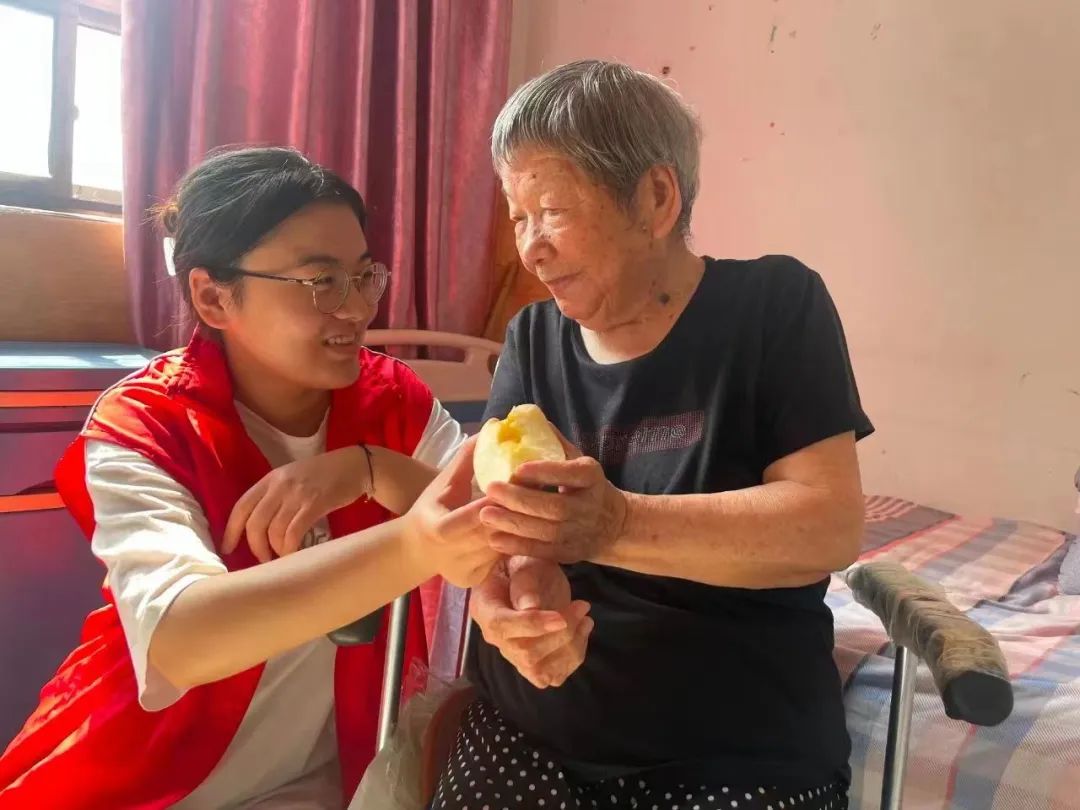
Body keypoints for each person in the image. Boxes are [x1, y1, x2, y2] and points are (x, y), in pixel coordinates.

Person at [0, 147, 501, 810]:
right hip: (140, 776)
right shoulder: (148, 422)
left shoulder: (392, 403)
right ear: (213, 296)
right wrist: (415, 545)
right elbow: (182, 639)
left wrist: (372, 469)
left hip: (318, 781)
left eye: (363, 276)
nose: (356, 309)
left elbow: (492, 521)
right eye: (320, 281)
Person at [439, 60, 874, 810]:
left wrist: (615, 523)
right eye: (518, 216)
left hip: (736, 748)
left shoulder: (774, 305)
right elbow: (508, 529)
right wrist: (521, 604)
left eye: (551, 210)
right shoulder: (532, 338)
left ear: (656, 198)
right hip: (534, 731)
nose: (530, 248)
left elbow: (828, 524)